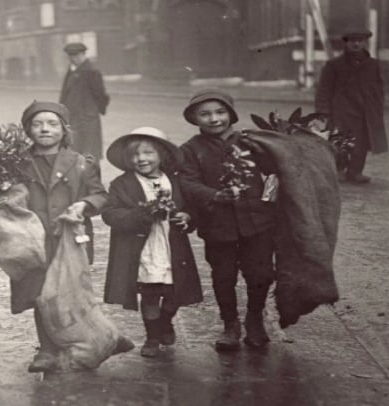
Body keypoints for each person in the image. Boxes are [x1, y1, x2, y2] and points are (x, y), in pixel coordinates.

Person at [0, 101, 132, 372]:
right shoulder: (15, 164)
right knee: (41, 294)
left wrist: (83, 205)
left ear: (64, 129)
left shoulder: (81, 163)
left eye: (52, 124)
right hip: (31, 240)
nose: (45, 129)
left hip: (69, 238)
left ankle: (94, 336)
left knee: (73, 292)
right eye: (37, 124)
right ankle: (47, 349)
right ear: (27, 130)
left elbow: (100, 195)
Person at [178, 89, 276, 351]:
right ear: (195, 119)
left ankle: (255, 318)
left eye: (220, 112)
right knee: (223, 276)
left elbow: (276, 168)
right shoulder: (190, 150)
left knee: (261, 273)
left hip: (257, 222)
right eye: (205, 114)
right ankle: (230, 324)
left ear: (231, 114)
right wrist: (213, 195)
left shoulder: (250, 142)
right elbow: (187, 182)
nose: (214, 119)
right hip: (218, 225)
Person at [102, 127, 203, 357]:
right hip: (145, 249)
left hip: (172, 247)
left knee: (173, 294)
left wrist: (187, 216)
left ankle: (165, 322)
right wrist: (143, 214)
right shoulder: (122, 184)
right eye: (135, 155)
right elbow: (110, 213)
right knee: (150, 294)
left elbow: (190, 205)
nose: (141, 159)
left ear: (162, 156)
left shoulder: (174, 181)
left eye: (148, 153)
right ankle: (152, 337)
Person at [315, 27, 387, 184]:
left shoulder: (373, 65)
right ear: (346, 43)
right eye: (352, 41)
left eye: (360, 41)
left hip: (365, 111)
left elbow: (378, 88)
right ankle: (339, 170)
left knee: (361, 143)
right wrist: (323, 111)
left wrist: (378, 107)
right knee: (341, 141)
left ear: (364, 43)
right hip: (342, 110)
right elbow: (324, 89)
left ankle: (355, 172)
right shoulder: (334, 65)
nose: (356, 44)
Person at [59, 42, 110, 159]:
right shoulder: (71, 70)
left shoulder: (92, 71)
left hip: (87, 117)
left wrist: (94, 110)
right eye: (70, 56)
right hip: (72, 116)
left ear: (83, 54)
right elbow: (65, 92)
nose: (73, 59)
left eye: (76, 56)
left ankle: (90, 175)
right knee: (73, 148)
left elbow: (101, 95)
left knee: (89, 150)